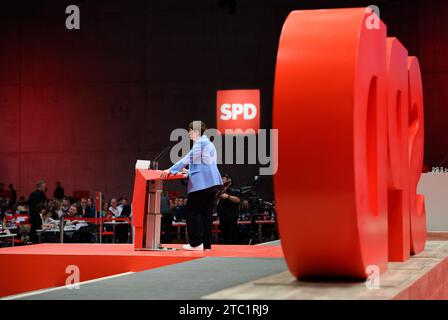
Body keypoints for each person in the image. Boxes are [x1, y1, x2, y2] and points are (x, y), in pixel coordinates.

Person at [161, 121, 223, 251]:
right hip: (212, 183)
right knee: (206, 214)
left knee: (191, 212)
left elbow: (187, 159)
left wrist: (170, 170)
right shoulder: (209, 143)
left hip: (202, 184)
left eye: (190, 130)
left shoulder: (200, 143)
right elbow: (205, 164)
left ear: (196, 131)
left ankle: (195, 244)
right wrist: (189, 171)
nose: (188, 133)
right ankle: (206, 245)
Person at [217, 173, 241, 244]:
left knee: (233, 235)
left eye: (223, 178)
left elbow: (237, 199)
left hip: (231, 217)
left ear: (229, 180)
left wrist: (228, 196)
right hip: (222, 217)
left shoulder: (234, 188)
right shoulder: (222, 189)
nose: (222, 180)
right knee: (224, 236)